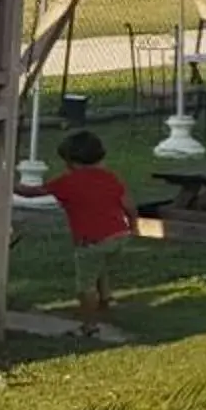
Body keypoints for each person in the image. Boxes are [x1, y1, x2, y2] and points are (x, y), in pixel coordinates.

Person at [39, 128, 134, 325]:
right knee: (101, 266)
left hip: (91, 241)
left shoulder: (67, 182)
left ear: (71, 162)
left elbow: (33, 192)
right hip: (120, 235)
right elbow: (129, 206)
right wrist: (133, 226)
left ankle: (89, 325)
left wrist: (10, 186)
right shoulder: (111, 177)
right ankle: (107, 300)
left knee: (86, 285)